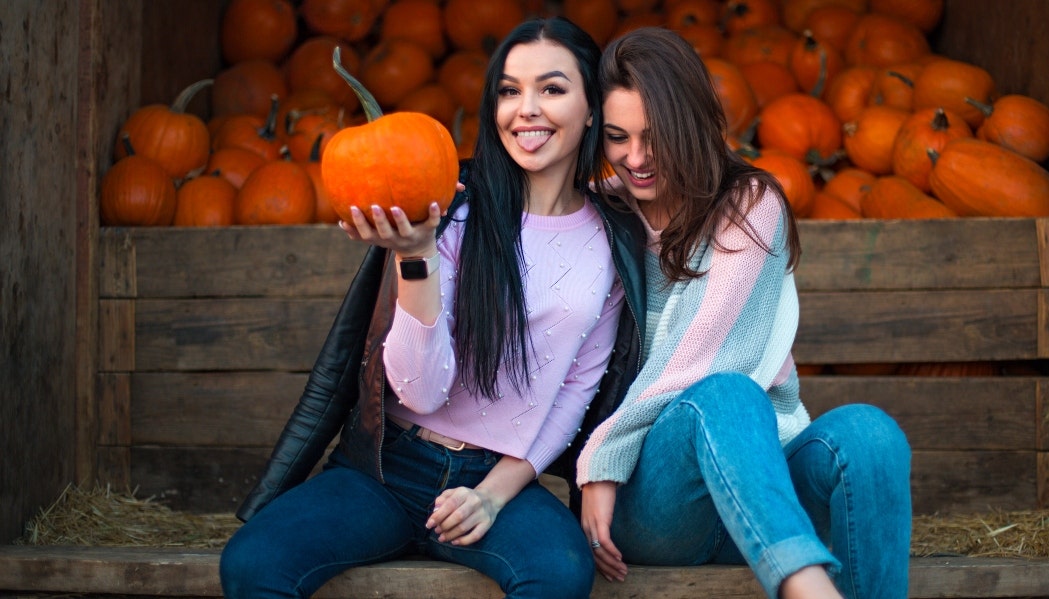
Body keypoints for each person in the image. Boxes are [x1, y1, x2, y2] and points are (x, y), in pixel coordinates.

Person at [219, 17, 647, 599]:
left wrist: (492, 495)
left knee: (559, 573)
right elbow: (420, 393)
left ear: (592, 107)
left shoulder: (613, 236)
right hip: (387, 471)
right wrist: (417, 256)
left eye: (551, 89)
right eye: (509, 90)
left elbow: (574, 392)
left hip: (500, 478)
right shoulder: (450, 207)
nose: (526, 109)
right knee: (253, 565)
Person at [574, 27, 913, 599]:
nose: (634, 158)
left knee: (871, 435)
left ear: (691, 123)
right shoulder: (599, 213)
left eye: (654, 137)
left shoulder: (750, 205)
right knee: (725, 394)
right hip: (656, 501)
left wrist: (602, 451)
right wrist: (608, 460)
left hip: (762, 487)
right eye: (616, 138)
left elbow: (707, 351)